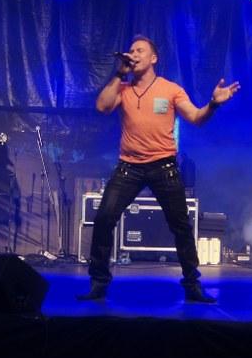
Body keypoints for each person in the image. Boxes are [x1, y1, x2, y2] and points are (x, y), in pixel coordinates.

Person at [77, 35, 240, 302]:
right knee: (104, 218)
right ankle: (98, 282)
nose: (134, 54)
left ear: (153, 58)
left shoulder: (170, 89)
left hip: (163, 166)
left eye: (140, 50)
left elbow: (196, 118)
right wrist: (119, 74)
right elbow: (102, 106)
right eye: (131, 50)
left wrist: (213, 104)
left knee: (181, 226)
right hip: (129, 166)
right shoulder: (123, 88)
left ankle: (192, 285)